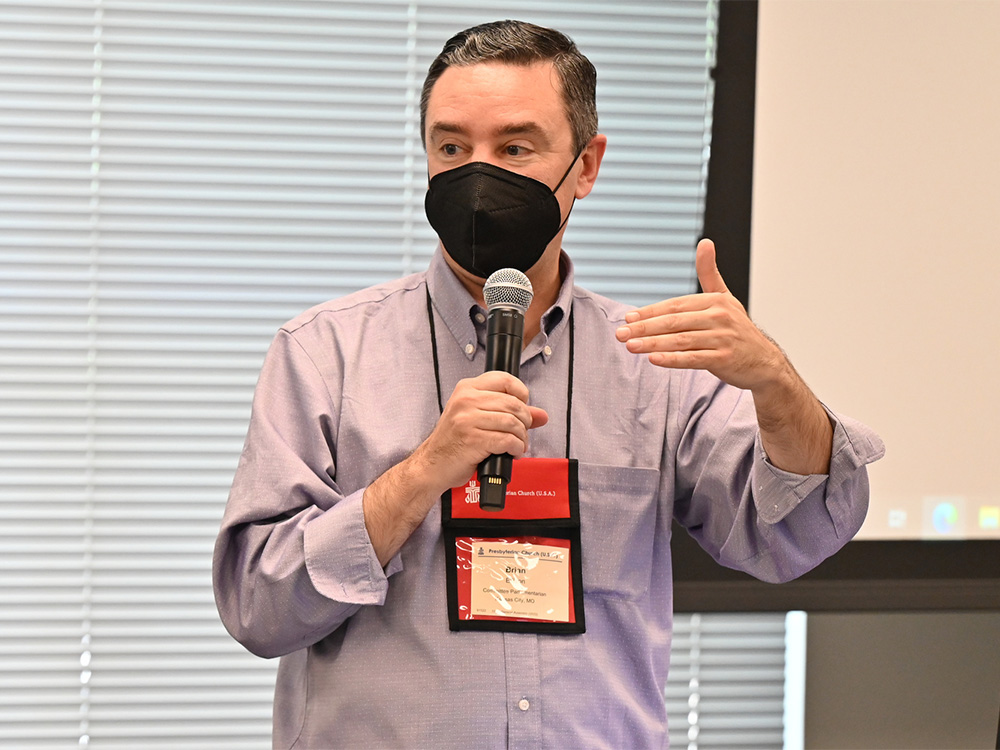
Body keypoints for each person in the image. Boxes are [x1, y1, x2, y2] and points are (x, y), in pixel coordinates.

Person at [213, 20, 884, 749]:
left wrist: (776, 384)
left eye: (514, 148)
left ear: (586, 167)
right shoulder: (324, 352)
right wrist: (417, 476)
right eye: (451, 148)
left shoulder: (653, 363)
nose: (478, 174)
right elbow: (257, 605)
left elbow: (796, 536)